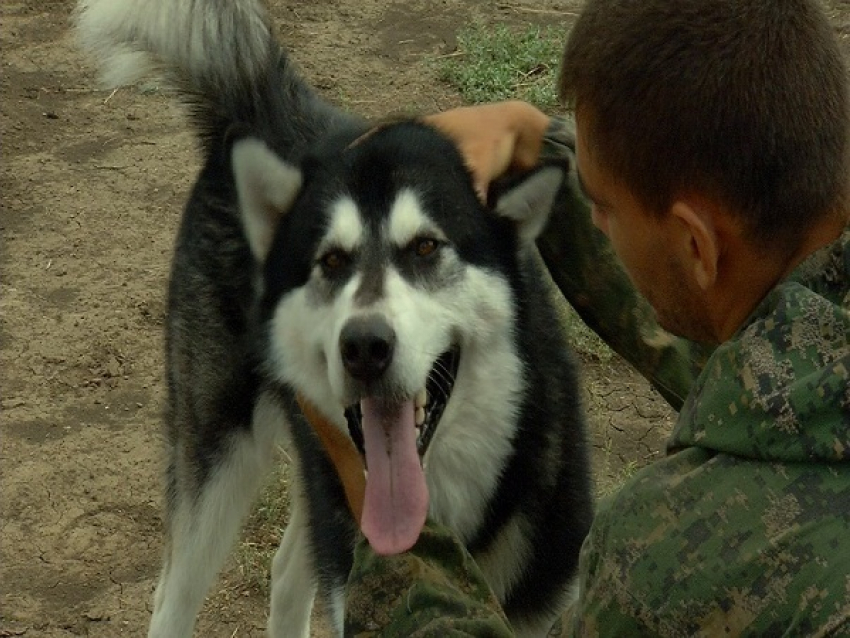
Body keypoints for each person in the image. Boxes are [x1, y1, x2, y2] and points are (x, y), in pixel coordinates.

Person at [342, 0, 850, 635]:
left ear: (696, 245)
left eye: (601, 206)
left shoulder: (675, 561)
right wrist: (540, 141)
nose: (596, 222)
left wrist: (369, 495)